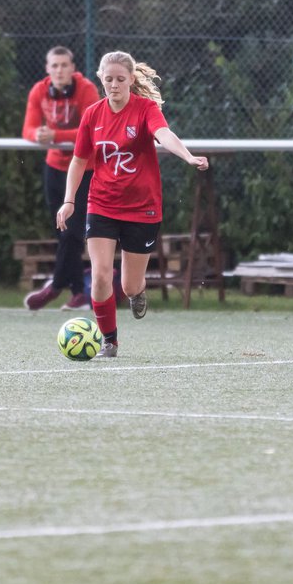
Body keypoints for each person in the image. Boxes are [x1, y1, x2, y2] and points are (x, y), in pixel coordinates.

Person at [56, 50, 209, 357]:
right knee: (100, 274)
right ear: (100, 78)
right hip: (102, 204)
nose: (114, 85)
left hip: (142, 207)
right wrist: (69, 200)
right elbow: (79, 160)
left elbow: (164, 134)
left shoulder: (145, 109)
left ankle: (136, 293)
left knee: (128, 286)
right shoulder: (92, 115)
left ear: (131, 80)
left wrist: (187, 155)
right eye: (108, 79)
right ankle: (109, 340)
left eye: (120, 79)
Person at [21, 45, 100, 311]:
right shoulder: (39, 91)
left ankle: (54, 287)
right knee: (64, 233)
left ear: (72, 67)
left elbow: (91, 130)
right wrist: (40, 136)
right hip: (54, 167)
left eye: (64, 65)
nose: (59, 70)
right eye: (54, 66)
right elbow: (28, 129)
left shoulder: (87, 89)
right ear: (47, 69)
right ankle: (78, 293)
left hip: (83, 169)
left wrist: (56, 136)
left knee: (73, 231)